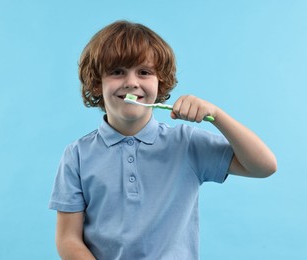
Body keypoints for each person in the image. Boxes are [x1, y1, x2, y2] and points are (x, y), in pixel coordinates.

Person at [48, 20, 277, 260]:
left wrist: (216, 116)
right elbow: (67, 238)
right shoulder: (77, 155)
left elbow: (264, 166)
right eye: (117, 72)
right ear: (96, 84)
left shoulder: (186, 144)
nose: (132, 82)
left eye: (144, 72)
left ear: (161, 82)